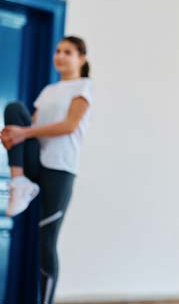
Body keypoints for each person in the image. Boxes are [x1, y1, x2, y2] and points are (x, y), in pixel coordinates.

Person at [2, 36, 92, 304]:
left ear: (81, 59)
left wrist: (24, 132)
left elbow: (69, 126)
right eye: (57, 51)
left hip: (60, 169)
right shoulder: (49, 90)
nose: (60, 56)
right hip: (36, 162)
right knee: (14, 109)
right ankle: (20, 183)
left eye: (68, 52)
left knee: (46, 242)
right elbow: (32, 125)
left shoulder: (84, 87)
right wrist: (14, 136)